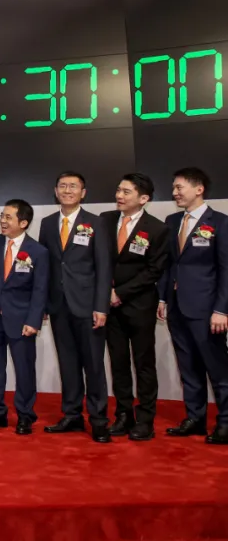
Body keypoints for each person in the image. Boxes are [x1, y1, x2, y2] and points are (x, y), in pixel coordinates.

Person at [39, 171, 112, 443]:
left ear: (83, 192)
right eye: (62, 186)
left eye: (73, 186)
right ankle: (71, 414)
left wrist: (101, 306)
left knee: (93, 365)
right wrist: (43, 304)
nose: (67, 190)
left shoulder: (95, 222)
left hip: (88, 305)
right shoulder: (47, 223)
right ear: (55, 191)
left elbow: (104, 266)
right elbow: (45, 267)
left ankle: (99, 419)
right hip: (58, 305)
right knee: (67, 363)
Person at [99, 173, 169, 441]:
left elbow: (154, 270)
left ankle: (146, 419)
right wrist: (106, 292)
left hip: (139, 305)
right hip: (109, 306)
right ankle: (123, 414)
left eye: (126, 192)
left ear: (143, 198)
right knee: (118, 363)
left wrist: (120, 293)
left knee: (144, 363)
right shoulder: (105, 220)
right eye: (118, 190)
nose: (119, 195)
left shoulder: (157, 228)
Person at [162, 167, 228, 445]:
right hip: (177, 306)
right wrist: (163, 298)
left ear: (199, 189)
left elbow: (226, 269)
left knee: (218, 368)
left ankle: (225, 422)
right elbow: (169, 264)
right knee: (188, 366)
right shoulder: (172, 220)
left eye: (179, 187)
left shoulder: (220, 222)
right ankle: (195, 418)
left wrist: (222, 310)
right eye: (174, 188)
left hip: (207, 309)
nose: (175, 193)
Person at [0, 199, 48, 435]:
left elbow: (40, 290)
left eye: (8, 217)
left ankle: (25, 415)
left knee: (24, 370)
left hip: (21, 320)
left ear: (23, 223)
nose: (3, 221)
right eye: (2, 216)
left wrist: (33, 320)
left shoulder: (38, 251)